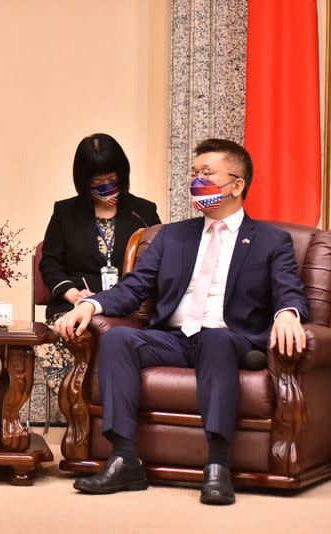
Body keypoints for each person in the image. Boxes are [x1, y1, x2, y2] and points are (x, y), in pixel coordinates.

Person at [56, 138, 308, 505]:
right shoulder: (171, 236)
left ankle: (218, 464)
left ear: (237, 185)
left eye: (207, 174)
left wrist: (288, 313)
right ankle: (125, 458)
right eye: (194, 173)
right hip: (172, 338)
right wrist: (90, 305)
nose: (196, 181)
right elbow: (133, 289)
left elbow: (289, 290)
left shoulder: (272, 241)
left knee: (216, 340)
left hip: (228, 337)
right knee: (117, 339)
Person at [37, 133, 160, 394]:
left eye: (112, 180)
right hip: (73, 307)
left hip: (128, 310)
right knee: (66, 334)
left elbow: (156, 264)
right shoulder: (65, 212)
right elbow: (50, 263)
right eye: (98, 181)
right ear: (84, 180)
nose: (106, 187)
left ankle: (111, 409)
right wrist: (73, 295)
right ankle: (77, 411)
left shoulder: (144, 211)